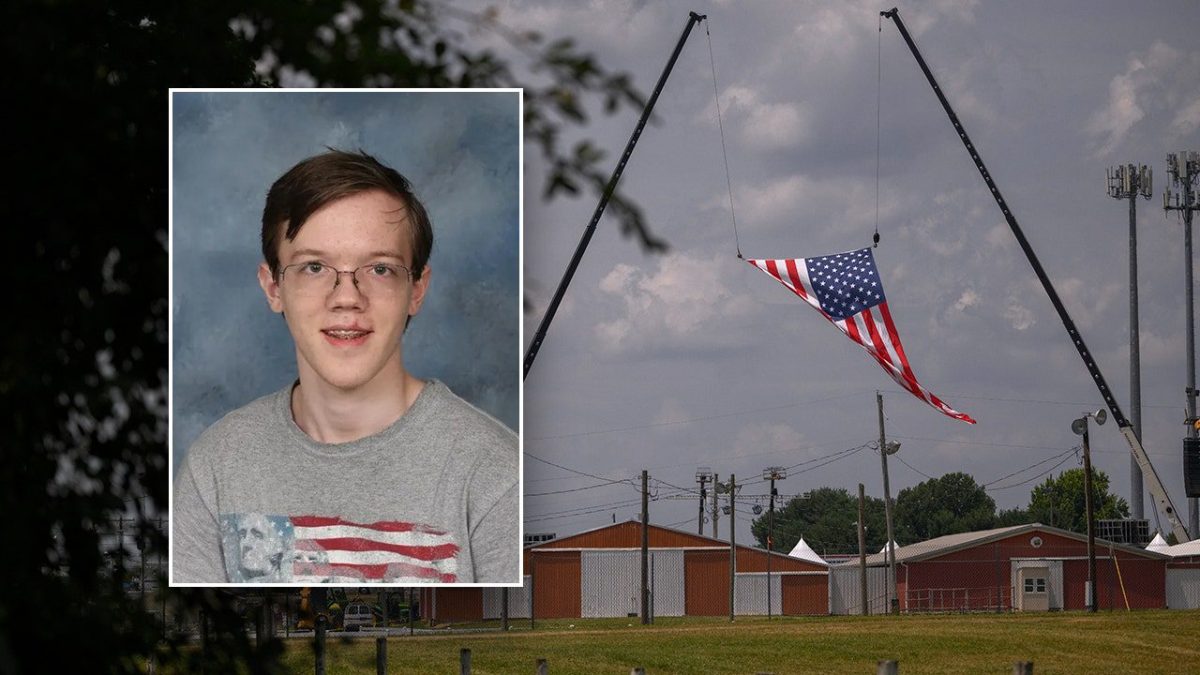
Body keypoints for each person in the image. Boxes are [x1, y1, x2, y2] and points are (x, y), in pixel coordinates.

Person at [173, 149, 518, 584]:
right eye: (314, 267)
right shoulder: (214, 469)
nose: (347, 298)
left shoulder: (496, 474)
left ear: (417, 289)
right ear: (273, 287)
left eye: (379, 269)